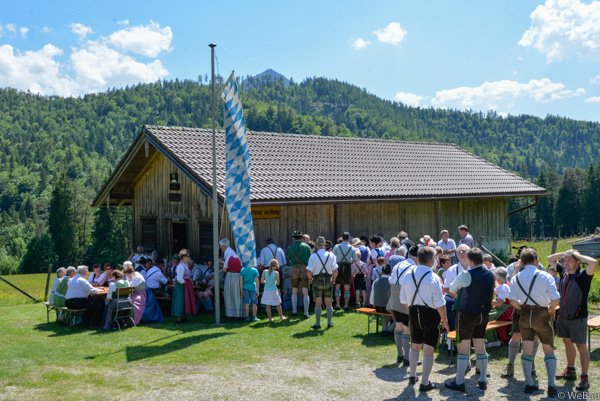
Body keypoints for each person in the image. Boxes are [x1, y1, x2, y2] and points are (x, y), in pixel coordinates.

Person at [508, 248, 561, 397]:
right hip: (541, 314)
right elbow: (556, 299)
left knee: (526, 349)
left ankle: (529, 384)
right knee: (548, 349)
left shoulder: (516, 277)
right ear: (536, 260)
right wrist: (550, 309)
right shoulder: (545, 276)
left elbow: (512, 299)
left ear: (522, 262)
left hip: (524, 315)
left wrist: (522, 307)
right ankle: (551, 385)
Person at [399, 246, 449, 392]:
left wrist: (414, 310)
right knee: (428, 348)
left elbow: (403, 299)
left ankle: (413, 375)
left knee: (415, 345)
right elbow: (440, 304)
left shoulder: (408, 275)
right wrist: (445, 321)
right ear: (432, 260)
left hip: (413, 312)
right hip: (430, 313)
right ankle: (425, 382)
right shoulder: (433, 277)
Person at [445, 247, 495, 392]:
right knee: (480, 344)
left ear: (470, 260)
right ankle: (483, 379)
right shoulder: (490, 274)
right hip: (483, 313)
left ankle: (459, 381)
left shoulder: (466, 274)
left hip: (467, 313)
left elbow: (452, 289)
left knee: (464, 346)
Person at [548, 249, 598, 391]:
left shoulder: (583, 276)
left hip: (578, 318)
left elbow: (594, 263)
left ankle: (585, 377)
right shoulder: (563, 272)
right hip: (563, 317)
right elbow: (550, 259)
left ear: (577, 262)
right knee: (567, 343)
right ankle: (570, 370)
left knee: (581, 347)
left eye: (570, 260)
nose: (566, 263)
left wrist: (577, 255)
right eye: (565, 260)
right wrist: (564, 253)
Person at [389, 245, 418, 365]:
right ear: (416, 257)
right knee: (407, 329)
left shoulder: (398, 264)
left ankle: (400, 355)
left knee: (398, 326)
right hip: (405, 297)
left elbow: (390, 281)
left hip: (394, 297)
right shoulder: (414, 268)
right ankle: (407, 358)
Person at [306, 236, 338, 329]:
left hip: (317, 279)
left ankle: (318, 323)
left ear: (316, 246)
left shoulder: (313, 256)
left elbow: (309, 271)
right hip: (328, 279)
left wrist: (310, 279)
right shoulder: (331, 255)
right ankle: (329, 322)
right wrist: (334, 278)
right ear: (324, 245)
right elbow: (335, 271)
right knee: (328, 300)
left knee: (318, 301)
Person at [443, 244, 471, 331]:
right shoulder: (452, 269)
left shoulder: (476, 266)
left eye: (464, 250)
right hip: (458, 299)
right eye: (459, 251)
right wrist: (458, 296)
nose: (461, 252)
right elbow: (446, 288)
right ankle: (455, 334)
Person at [287, 230, 312, 319]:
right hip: (304, 269)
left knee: (294, 290)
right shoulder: (307, 247)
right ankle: (306, 313)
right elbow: (310, 259)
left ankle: (294, 312)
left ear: (294, 238)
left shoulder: (290, 248)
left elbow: (289, 259)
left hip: (294, 269)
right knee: (305, 291)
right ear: (301, 238)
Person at [332, 232, 357, 311]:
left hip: (338, 266)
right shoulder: (352, 248)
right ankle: (346, 306)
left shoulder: (337, 246)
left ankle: (338, 304)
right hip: (347, 266)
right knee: (347, 287)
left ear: (342, 238)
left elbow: (332, 256)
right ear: (349, 238)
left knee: (337, 286)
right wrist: (350, 261)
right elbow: (355, 259)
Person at [221, 239, 244, 318]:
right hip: (239, 276)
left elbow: (224, 269)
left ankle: (231, 314)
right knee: (238, 295)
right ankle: (239, 314)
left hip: (230, 276)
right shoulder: (243, 258)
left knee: (230, 295)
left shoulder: (230, 256)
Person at [370, 263, 393, 335]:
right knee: (399, 317)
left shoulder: (376, 281)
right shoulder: (391, 282)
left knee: (386, 312)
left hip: (377, 306)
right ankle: (389, 330)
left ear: (382, 272)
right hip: (387, 307)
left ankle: (384, 329)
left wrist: (373, 303)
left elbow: (372, 296)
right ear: (390, 272)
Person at [171, 249, 192, 323]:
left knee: (184, 301)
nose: (189, 258)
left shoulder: (185, 265)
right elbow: (179, 278)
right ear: (183, 257)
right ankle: (179, 319)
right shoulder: (180, 266)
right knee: (179, 301)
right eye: (188, 256)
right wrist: (186, 283)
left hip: (184, 286)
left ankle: (183, 317)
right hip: (180, 286)